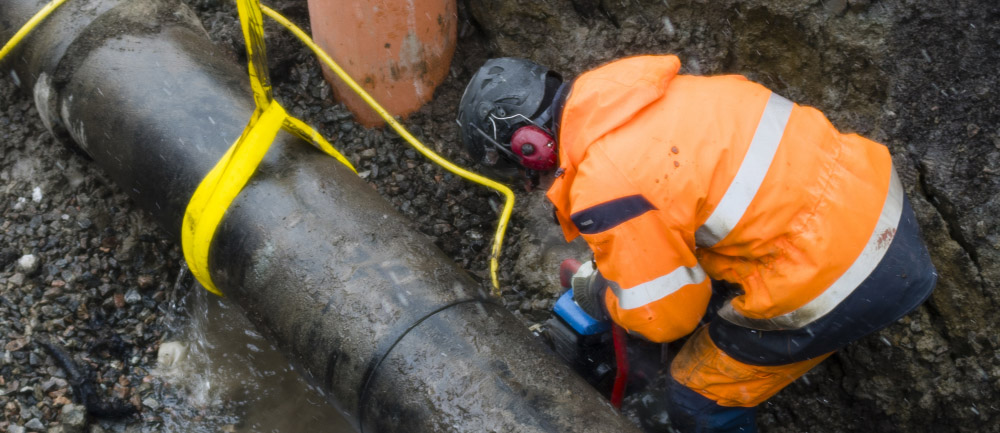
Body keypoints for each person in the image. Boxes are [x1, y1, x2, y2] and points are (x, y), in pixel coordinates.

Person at [456, 55, 937, 432]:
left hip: (847, 275)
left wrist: (603, 295)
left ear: (529, 148)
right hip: (881, 206)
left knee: (695, 395)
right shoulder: (662, 95)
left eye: (518, 171)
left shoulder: (606, 183)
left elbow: (665, 318)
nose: (529, 183)